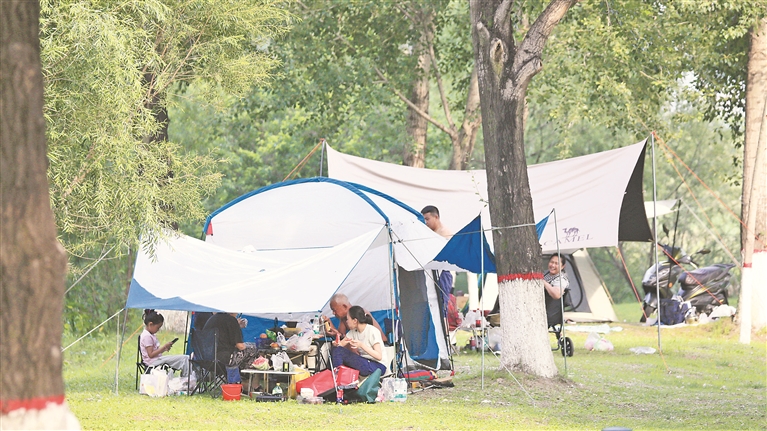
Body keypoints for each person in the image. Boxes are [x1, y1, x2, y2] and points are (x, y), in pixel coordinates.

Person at [330, 306, 387, 376]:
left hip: (378, 366)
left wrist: (361, 345)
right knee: (336, 349)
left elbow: (379, 356)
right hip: (364, 362)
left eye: (347, 319)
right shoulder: (353, 332)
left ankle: (337, 376)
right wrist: (336, 343)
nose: (346, 322)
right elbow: (340, 345)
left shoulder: (372, 331)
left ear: (355, 321)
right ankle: (337, 375)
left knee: (339, 352)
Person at [139, 309, 190, 377]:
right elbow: (151, 354)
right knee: (185, 358)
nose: (158, 330)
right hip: (153, 362)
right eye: (158, 328)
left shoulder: (150, 335)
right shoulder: (147, 336)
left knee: (184, 358)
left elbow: (154, 352)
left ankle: (186, 377)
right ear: (150, 324)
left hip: (157, 360)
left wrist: (164, 349)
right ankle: (186, 378)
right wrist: (164, 347)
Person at [322, 293, 387, 343]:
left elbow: (364, 338)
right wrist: (329, 323)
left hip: (380, 345)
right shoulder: (344, 318)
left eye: (334, 310)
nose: (333, 313)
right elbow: (341, 336)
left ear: (344, 306)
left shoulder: (359, 313)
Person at [543, 254, 570, 326]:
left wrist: (543, 282)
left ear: (563, 266)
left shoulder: (561, 279)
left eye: (556, 263)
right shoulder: (545, 273)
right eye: (551, 262)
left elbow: (557, 295)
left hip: (548, 313)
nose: (553, 265)